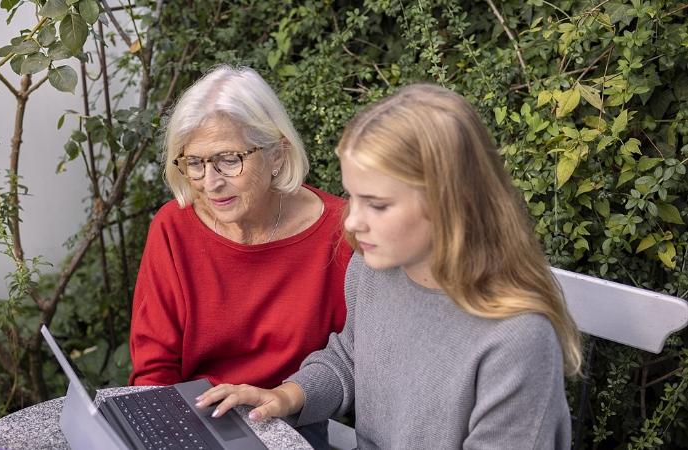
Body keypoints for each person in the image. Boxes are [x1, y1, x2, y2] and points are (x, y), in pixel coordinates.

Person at [195, 84, 582, 449]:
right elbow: (350, 357)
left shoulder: (517, 340)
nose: (352, 221)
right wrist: (287, 396)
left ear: (450, 203)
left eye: (377, 205)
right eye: (352, 197)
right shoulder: (373, 270)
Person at [128, 65, 351, 447]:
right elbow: (153, 369)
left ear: (277, 154)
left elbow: (354, 361)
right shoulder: (173, 227)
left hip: (290, 424)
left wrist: (288, 400)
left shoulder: (340, 233)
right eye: (195, 163)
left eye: (229, 160)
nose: (210, 182)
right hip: (192, 421)